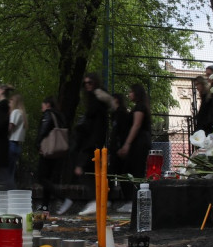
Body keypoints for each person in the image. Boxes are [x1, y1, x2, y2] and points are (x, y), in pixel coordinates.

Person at [73, 72, 111, 215]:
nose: (87, 85)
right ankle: (98, 200)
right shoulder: (93, 98)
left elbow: (95, 121)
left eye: (90, 83)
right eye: (85, 83)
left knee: (84, 169)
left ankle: (96, 201)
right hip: (92, 139)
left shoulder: (97, 98)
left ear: (95, 83)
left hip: (92, 140)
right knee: (90, 170)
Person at [36, 96, 67, 213]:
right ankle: (45, 207)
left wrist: (38, 144)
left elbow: (44, 130)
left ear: (48, 104)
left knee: (41, 178)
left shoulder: (48, 114)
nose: (42, 108)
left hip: (48, 150)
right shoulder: (59, 115)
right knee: (48, 179)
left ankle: (64, 198)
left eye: (42, 105)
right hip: (57, 150)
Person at [117, 84, 152, 178]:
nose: (129, 94)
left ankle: (137, 191)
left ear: (137, 93)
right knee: (135, 170)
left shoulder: (140, 107)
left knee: (136, 171)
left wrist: (127, 144)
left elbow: (136, 125)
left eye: (131, 92)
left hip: (139, 143)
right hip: (140, 142)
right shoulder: (140, 106)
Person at [8, 92, 27, 185]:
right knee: (11, 172)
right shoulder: (23, 114)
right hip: (17, 145)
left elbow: (10, 128)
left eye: (11, 100)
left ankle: (8, 193)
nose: (9, 103)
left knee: (8, 173)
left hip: (11, 144)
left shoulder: (15, 112)